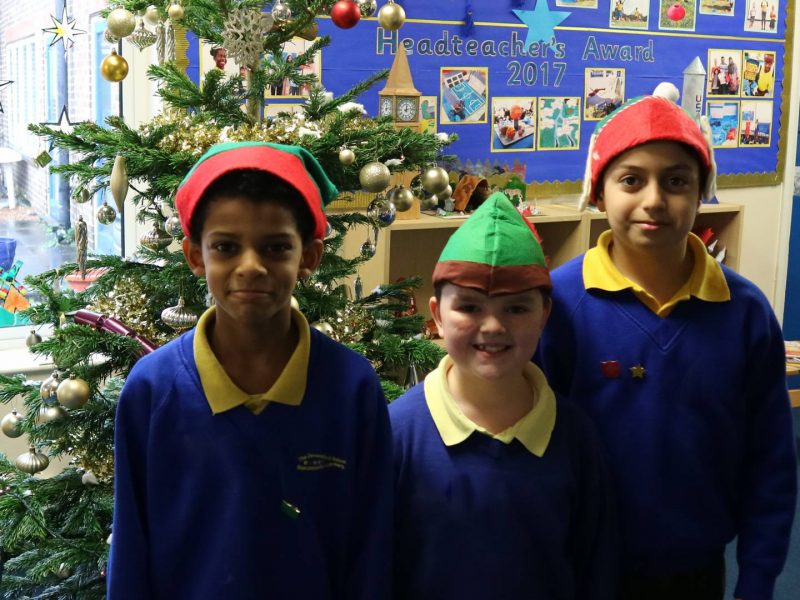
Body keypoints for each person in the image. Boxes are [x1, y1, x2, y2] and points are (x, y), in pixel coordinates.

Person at [537, 85, 797, 600]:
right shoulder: (558, 305)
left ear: (701, 193)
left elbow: (770, 458)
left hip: (696, 567)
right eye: (631, 180)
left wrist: (759, 576)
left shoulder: (744, 313)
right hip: (580, 565)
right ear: (599, 192)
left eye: (676, 181)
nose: (654, 200)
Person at [107, 142, 393, 599]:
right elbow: (130, 551)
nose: (251, 267)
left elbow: (372, 552)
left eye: (276, 247)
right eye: (226, 247)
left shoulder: (352, 388)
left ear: (309, 257)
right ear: (195, 255)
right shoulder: (152, 390)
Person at [391, 192, 618, 599]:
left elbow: (595, 565)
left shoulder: (575, 437)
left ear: (544, 315)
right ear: (437, 315)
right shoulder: (398, 433)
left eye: (516, 309)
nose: (493, 326)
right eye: (470, 308)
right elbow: (375, 564)